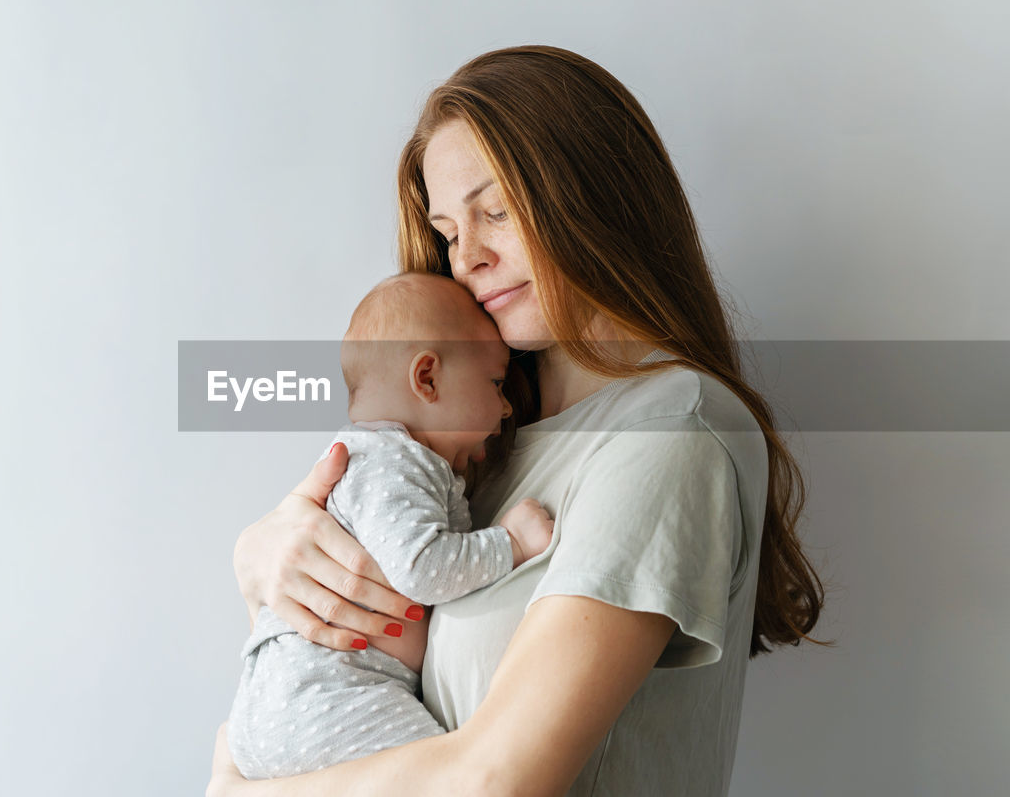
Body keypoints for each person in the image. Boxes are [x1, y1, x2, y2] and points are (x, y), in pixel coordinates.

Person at [209, 45, 825, 797]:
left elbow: (497, 781)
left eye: (494, 211)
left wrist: (240, 791)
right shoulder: (468, 445)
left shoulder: (668, 431)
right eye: (447, 231)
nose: (467, 256)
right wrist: (261, 557)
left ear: (593, 193)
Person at [226, 272, 554, 779]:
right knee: (447, 778)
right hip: (330, 699)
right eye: (495, 383)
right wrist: (509, 544)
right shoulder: (394, 460)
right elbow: (421, 569)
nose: (506, 405)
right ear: (426, 378)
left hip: (282, 704)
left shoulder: (374, 458)